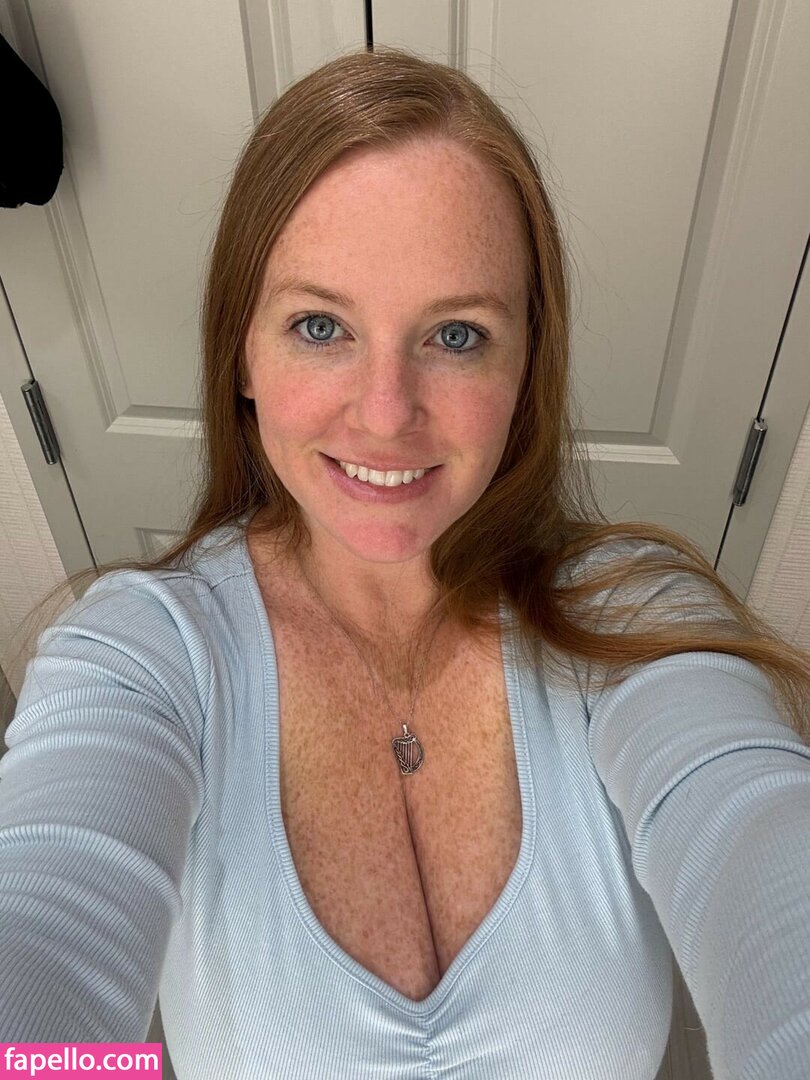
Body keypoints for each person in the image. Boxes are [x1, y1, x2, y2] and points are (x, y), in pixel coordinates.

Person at [2, 45, 809, 1080]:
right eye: (321, 326)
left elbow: (759, 842)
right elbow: (47, 936)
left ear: (528, 363)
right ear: (242, 352)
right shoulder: (141, 653)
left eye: (458, 336)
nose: (386, 415)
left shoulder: (635, 620)